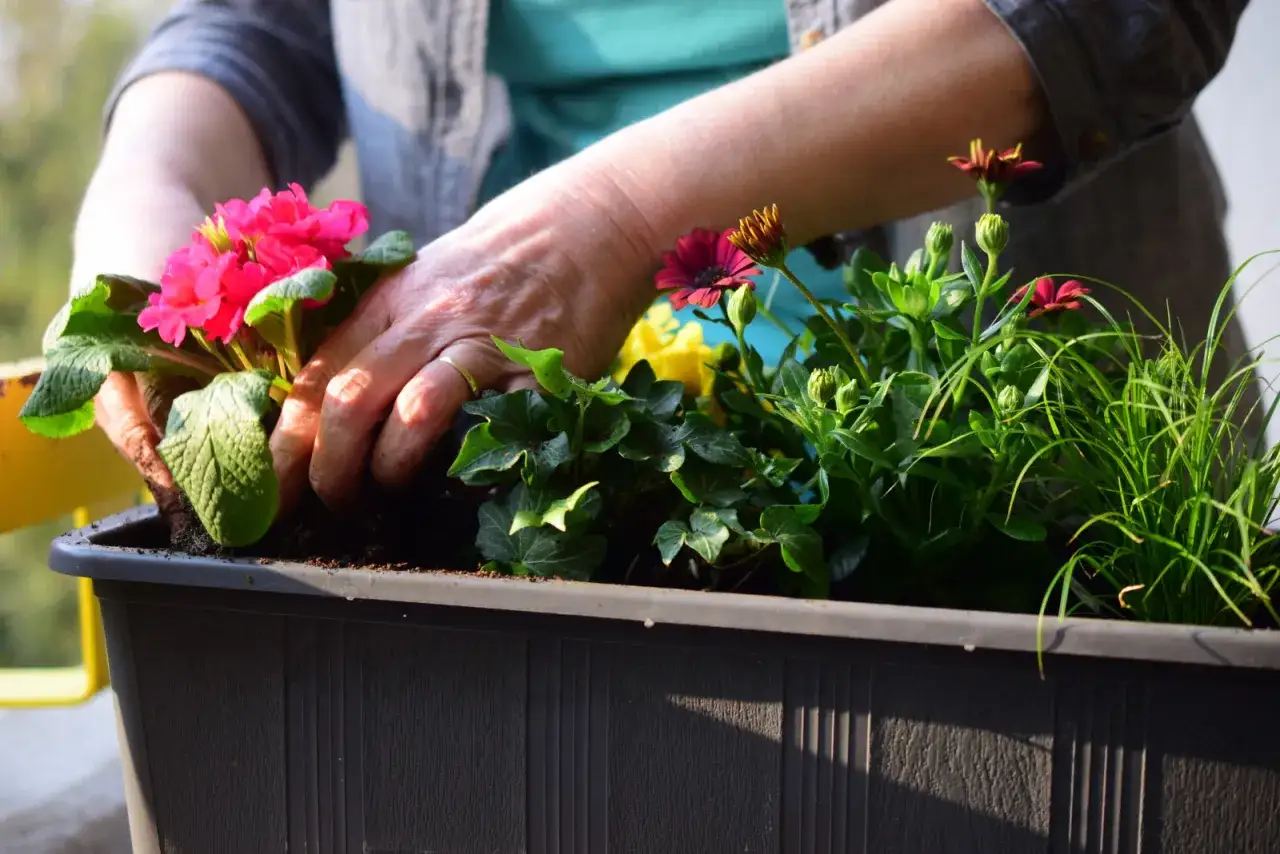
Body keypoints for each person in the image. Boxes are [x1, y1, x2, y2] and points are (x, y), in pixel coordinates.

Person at [75, 0, 1251, 515]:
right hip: (526, 458)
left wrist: (618, 218)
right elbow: (258, 19)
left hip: (1015, 446)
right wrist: (144, 187)